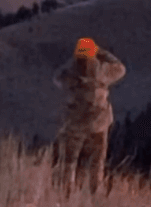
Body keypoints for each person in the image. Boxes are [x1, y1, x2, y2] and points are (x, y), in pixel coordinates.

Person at [51, 37, 126, 193]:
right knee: (97, 162)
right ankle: (95, 194)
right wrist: (101, 52)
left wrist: (72, 61)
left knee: (69, 161)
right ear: (93, 52)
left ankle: (65, 193)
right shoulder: (102, 70)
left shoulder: (71, 72)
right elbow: (121, 68)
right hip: (99, 123)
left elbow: (56, 78)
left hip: (75, 122)